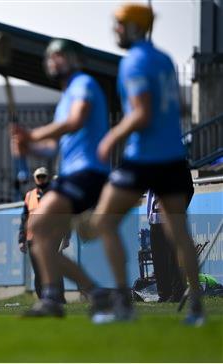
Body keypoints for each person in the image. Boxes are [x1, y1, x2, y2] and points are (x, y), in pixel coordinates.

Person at [88, 3, 204, 325]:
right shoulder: (164, 59)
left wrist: (111, 137)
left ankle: (123, 303)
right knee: (179, 233)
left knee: (104, 222)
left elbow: (141, 113)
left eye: (119, 25)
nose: (115, 31)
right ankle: (196, 306)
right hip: (173, 158)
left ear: (135, 27)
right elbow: (179, 106)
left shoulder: (134, 62)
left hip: (144, 157)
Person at [11, 38, 111, 318]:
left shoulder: (83, 84)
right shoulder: (65, 97)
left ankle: (59, 298)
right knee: (40, 234)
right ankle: (90, 294)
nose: (53, 61)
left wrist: (33, 134)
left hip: (88, 172)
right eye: (50, 57)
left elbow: (75, 122)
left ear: (76, 60)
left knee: (40, 226)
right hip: (71, 173)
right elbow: (55, 146)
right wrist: (28, 146)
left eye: (60, 56)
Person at [18, 167, 67, 302]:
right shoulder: (29, 195)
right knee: (38, 271)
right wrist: (21, 239)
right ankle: (43, 299)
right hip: (33, 238)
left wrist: (65, 235)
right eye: (38, 177)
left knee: (54, 267)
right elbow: (24, 219)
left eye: (43, 176)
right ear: (35, 178)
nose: (41, 179)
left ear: (47, 177)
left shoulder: (53, 193)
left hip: (51, 236)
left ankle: (59, 298)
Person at [147, 190, 187, 302]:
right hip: (154, 222)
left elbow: (188, 189)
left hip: (171, 219)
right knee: (158, 260)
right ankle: (164, 294)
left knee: (173, 259)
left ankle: (177, 293)